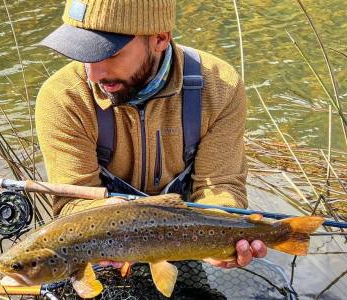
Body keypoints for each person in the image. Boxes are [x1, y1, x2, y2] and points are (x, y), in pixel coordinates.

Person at [35, 0, 266, 270]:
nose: (94, 74)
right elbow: (73, 201)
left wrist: (218, 239)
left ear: (159, 38)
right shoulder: (62, 98)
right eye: (82, 53)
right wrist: (113, 220)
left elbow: (221, 185)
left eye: (109, 54)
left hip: (185, 239)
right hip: (101, 247)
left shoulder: (220, 87)